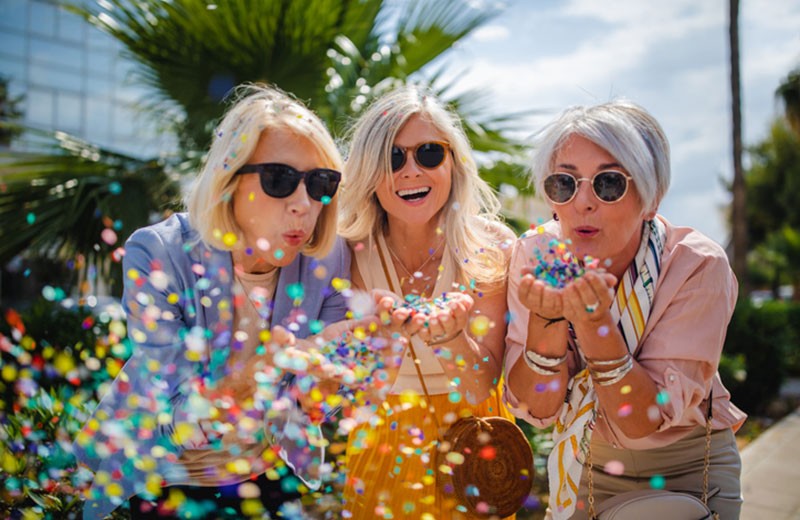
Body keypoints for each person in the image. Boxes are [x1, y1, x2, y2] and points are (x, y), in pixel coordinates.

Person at [73, 84, 369, 519]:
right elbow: (179, 413)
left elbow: (313, 408)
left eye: (321, 183)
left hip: (270, 471)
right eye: (279, 179)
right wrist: (270, 366)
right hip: (163, 478)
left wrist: (333, 365)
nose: (304, 205)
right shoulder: (157, 253)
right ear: (228, 181)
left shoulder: (329, 258)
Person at [503, 100, 746, 519]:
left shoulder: (696, 265)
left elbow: (641, 421)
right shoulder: (536, 255)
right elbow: (537, 410)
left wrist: (594, 322)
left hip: (687, 467)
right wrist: (547, 321)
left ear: (651, 198)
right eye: (564, 184)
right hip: (585, 462)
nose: (583, 202)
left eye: (609, 183)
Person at [337, 85, 518, 518]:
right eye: (392, 158)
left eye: (429, 153)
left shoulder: (491, 246)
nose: (411, 171)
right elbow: (346, 390)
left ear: (453, 162)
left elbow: (479, 387)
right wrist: (379, 344)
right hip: (382, 453)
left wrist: (451, 338)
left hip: (479, 454)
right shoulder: (344, 253)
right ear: (368, 170)